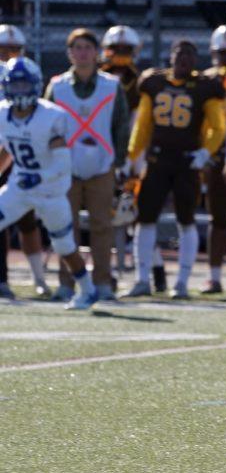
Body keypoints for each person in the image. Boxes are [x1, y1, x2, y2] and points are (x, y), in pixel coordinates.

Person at [122, 39, 226, 299]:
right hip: (157, 161)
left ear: (196, 60)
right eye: (180, 54)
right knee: (145, 219)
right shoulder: (153, 82)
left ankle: (181, 282)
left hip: (187, 162)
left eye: (190, 55)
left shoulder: (205, 87)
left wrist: (205, 152)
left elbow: (219, 126)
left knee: (186, 220)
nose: (184, 59)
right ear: (171, 56)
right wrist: (131, 155)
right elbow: (143, 124)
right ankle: (141, 279)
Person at [0, 58, 98, 310]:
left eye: (24, 85)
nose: (20, 91)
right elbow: (6, 149)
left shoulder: (51, 117)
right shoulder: (3, 113)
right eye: (16, 85)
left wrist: (39, 178)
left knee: (64, 245)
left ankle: (87, 289)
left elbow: (62, 164)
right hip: (20, 186)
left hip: (50, 191)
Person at [44, 29, 130, 301]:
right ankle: (66, 284)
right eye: (77, 47)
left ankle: (102, 283)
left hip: (102, 166)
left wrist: (117, 162)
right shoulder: (56, 86)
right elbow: (45, 126)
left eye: (87, 47)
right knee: (63, 226)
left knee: (102, 226)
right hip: (64, 168)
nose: (82, 52)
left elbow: (121, 125)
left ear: (97, 52)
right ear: (69, 53)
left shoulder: (112, 85)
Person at [0, 24, 49, 297]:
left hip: (19, 152)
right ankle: (2, 279)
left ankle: (39, 279)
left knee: (27, 220)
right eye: (2, 49)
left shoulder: (26, 74)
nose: (7, 55)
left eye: (13, 49)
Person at [200, 24, 226, 295]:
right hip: (215, 156)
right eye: (222, 53)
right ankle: (214, 276)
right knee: (218, 219)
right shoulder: (204, 81)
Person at [100, 25, 142, 112]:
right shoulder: (99, 76)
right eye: (116, 49)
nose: (120, 53)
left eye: (125, 50)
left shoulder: (138, 80)